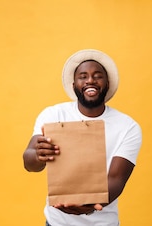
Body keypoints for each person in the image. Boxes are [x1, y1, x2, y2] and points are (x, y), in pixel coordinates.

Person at [23, 49, 142, 226]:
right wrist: (39, 155)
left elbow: (116, 179)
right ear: (74, 85)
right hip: (56, 222)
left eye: (97, 76)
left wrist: (90, 204)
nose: (90, 80)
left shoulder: (127, 126)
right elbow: (29, 162)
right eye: (83, 76)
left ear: (107, 83)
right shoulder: (53, 114)